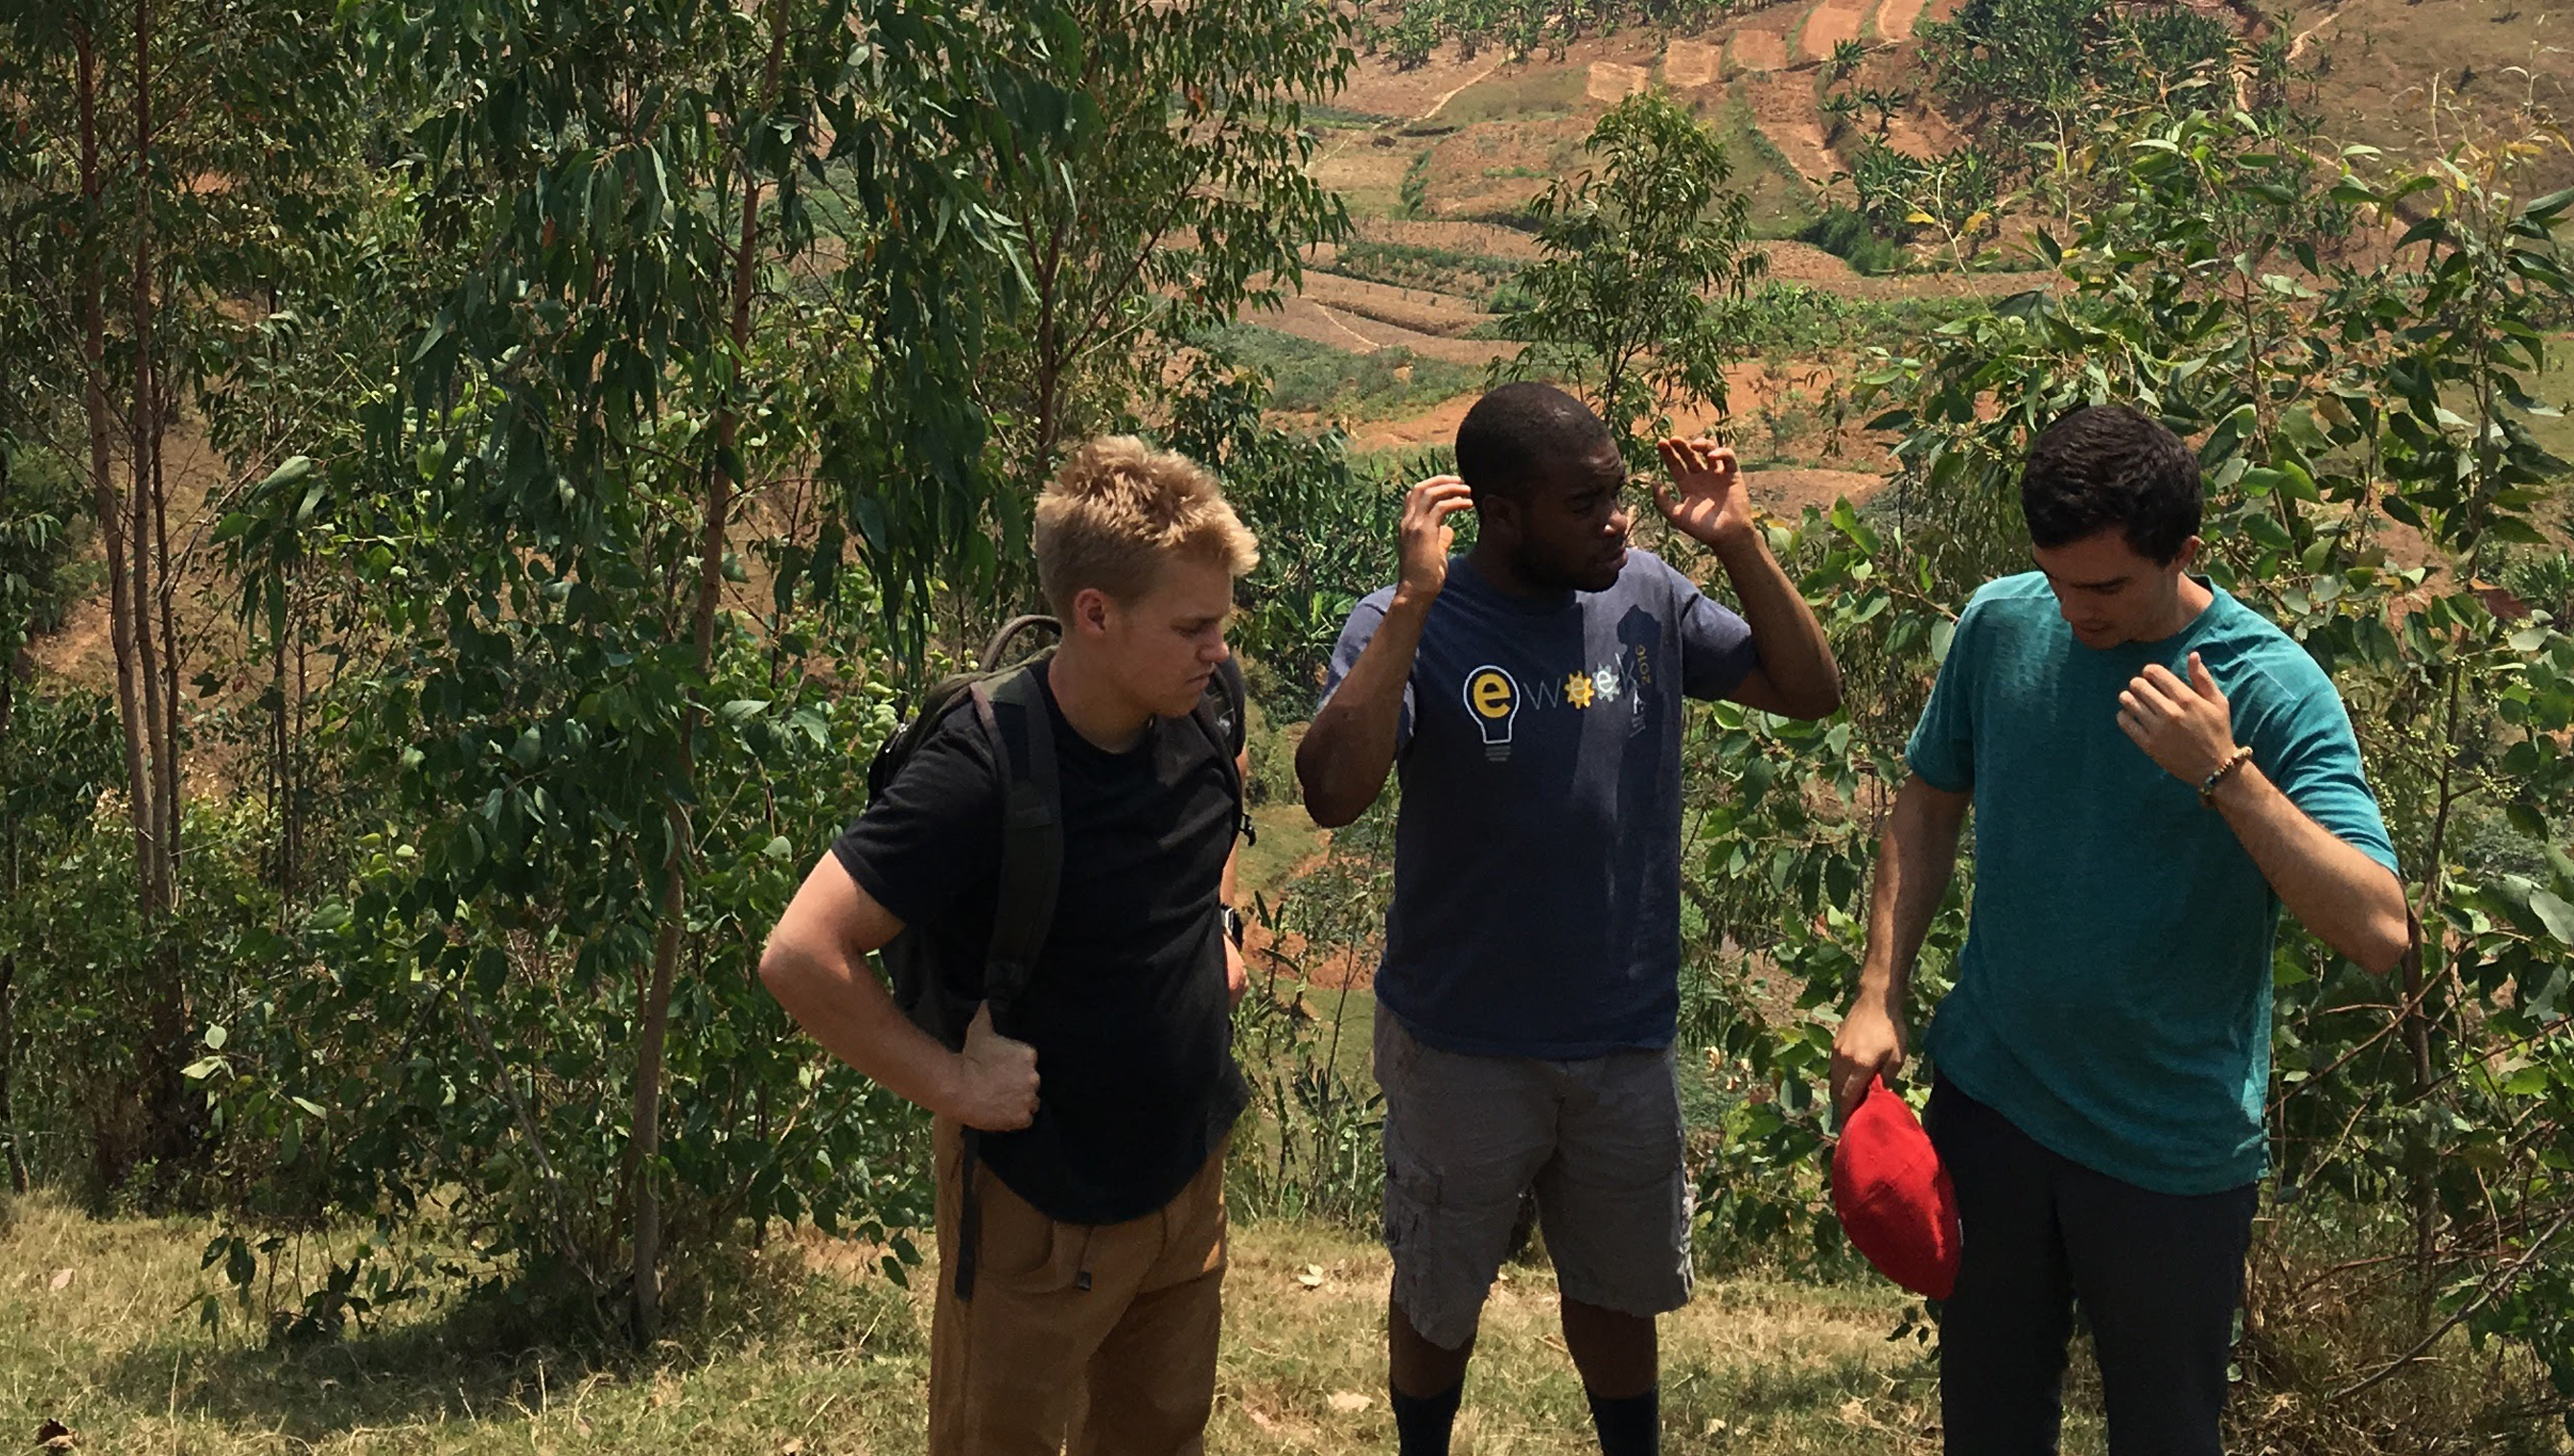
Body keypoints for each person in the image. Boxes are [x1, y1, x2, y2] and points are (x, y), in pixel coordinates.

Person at [1834, 403, 2412, 1456]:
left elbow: (2378, 928)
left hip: (2168, 1146)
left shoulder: (2269, 685)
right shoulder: (2002, 624)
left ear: (2184, 551)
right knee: (1990, 1428)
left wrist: (2227, 775)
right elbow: (1925, 798)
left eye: (2104, 586)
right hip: (1992, 1106)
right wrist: (1879, 989)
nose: (2076, 611)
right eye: (2058, 579)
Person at [1299, 381, 1844, 1456]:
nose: (1618, 519)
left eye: (1618, 494)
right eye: (1584, 501)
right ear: (1501, 515)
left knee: (1616, 1288)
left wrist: (1737, 541)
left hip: (1620, 1032)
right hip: (1461, 1041)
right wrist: (1412, 606)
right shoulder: (1403, 619)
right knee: (1438, 1290)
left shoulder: (1645, 591)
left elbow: (1808, 688)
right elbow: (1329, 790)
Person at [758, 436, 1256, 1456]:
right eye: (1194, 625)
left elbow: (1221, 804)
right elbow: (801, 952)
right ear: (1094, 613)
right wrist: (953, 1083)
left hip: (1183, 1181)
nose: (1219, 647)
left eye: (1222, 621)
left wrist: (1221, 922)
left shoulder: (1200, 705)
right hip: (1042, 1211)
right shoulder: (982, 768)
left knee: (1161, 1435)